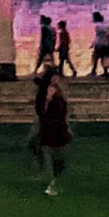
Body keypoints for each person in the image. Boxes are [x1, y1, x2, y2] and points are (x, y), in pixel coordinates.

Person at [37, 69, 72, 197]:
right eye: (53, 77)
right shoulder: (44, 91)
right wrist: (48, 98)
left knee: (60, 158)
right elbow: (41, 110)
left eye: (57, 77)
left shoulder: (60, 92)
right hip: (49, 127)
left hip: (60, 127)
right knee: (49, 156)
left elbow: (65, 109)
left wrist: (67, 124)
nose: (56, 79)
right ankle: (50, 183)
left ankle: (55, 180)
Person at [89, 11, 109, 77]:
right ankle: (104, 71)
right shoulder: (105, 25)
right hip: (104, 43)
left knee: (96, 58)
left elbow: (97, 36)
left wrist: (93, 43)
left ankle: (94, 71)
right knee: (102, 57)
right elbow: (107, 32)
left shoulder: (98, 26)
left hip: (99, 44)